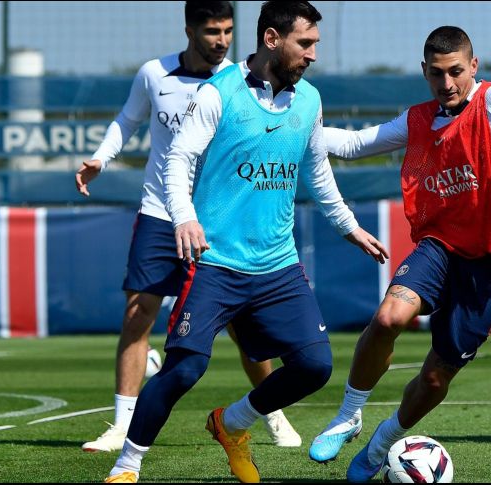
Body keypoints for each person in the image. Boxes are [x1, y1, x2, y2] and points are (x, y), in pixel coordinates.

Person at [103, 1, 388, 483]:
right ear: (272, 40)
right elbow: (177, 160)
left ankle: (231, 423)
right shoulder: (220, 93)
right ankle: (126, 466)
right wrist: (185, 218)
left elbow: (316, 172)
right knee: (184, 371)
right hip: (216, 263)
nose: (313, 54)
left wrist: (348, 226)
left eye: (316, 43)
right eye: (306, 43)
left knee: (315, 366)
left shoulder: (310, 101)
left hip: (277, 266)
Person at [306, 26, 491, 482]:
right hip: (439, 245)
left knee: (432, 379)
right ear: (424, 71)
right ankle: (349, 414)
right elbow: (352, 144)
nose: (447, 84)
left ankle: (381, 444)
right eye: (436, 74)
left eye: (456, 72)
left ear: (474, 67)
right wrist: (290, 128)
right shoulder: (417, 119)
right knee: (388, 318)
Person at [75, 1, 302, 455]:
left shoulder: (242, 83)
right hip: (162, 212)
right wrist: (102, 157)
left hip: (219, 219)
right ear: (189, 30)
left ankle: (272, 414)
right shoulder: (153, 75)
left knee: (242, 325)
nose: (221, 41)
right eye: (212, 31)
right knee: (139, 311)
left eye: (228, 31)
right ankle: (123, 424)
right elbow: (127, 120)